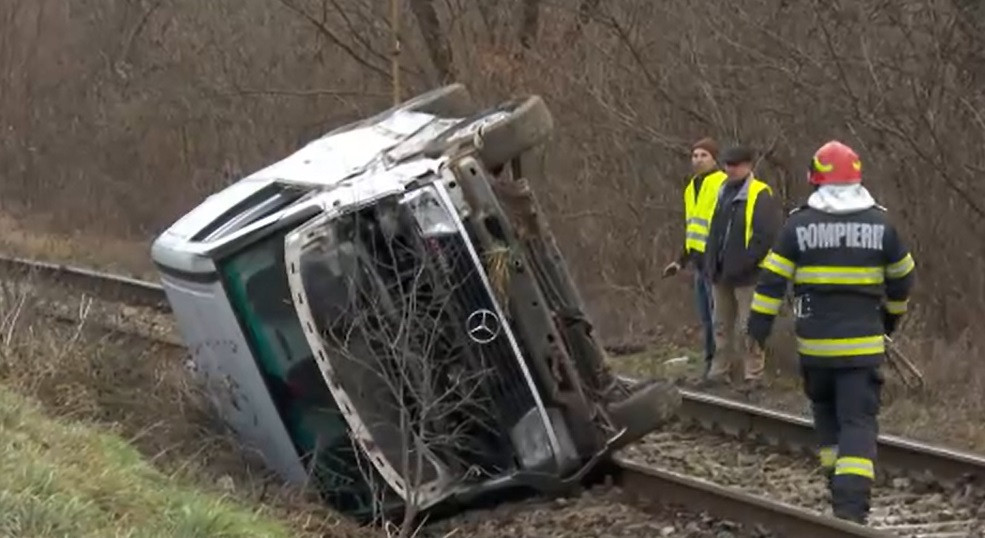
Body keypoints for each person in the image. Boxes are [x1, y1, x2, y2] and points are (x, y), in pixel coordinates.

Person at [745, 140, 915, 524]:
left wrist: (757, 330)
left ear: (816, 179)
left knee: (826, 415)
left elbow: (771, 282)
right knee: (857, 422)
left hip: (816, 349)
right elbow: (904, 279)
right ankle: (851, 508)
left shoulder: (798, 225)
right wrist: (891, 318)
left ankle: (837, 491)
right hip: (861, 349)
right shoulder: (880, 225)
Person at [702, 145, 780, 389]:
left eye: (735, 165)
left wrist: (744, 264)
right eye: (727, 165)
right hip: (720, 272)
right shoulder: (722, 191)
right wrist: (711, 263)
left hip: (748, 275)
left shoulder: (759, 194)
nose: (730, 170)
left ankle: (753, 375)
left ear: (748, 166)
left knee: (750, 327)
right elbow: (714, 231)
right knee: (721, 326)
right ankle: (719, 372)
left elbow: (765, 237)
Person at [663, 137, 728, 375]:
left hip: (717, 263)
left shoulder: (722, 183)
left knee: (719, 318)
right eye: (695, 155)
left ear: (714, 159)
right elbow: (693, 230)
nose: (698, 160)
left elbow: (722, 225)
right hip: (699, 263)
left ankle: (721, 366)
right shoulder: (691, 188)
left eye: (704, 155)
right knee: (707, 319)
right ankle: (710, 362)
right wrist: (680, 261)